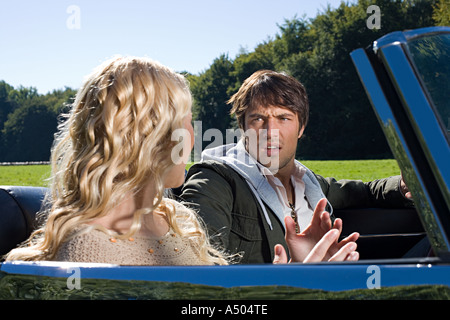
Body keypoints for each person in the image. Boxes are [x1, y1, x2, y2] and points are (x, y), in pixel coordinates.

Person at [4, 56, 229, 265]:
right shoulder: (88, 251)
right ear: (151, 137)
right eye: (187, 121)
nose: (192, 137)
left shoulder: (179, 220)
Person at [179, 70, 413, 264]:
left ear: (301, 128)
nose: (270, 132)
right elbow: (202, 271)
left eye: (284, 118)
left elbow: (367, 192)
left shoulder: (309, 182)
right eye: (258, 119)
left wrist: (403, 186)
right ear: (243, 126)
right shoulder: (215, 181)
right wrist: (291, 281)